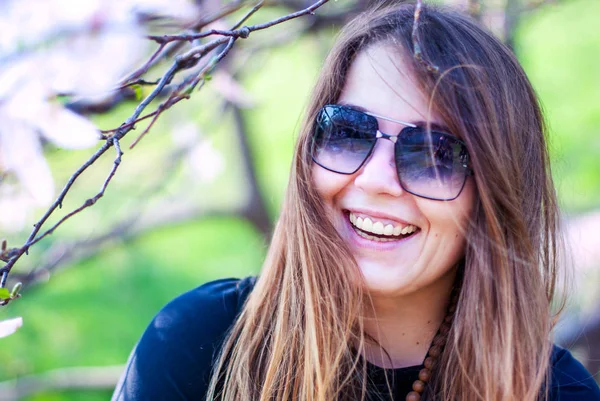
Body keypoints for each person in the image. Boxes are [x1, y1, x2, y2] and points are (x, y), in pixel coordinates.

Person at [111, 2, 600, 401]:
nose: (376, 179)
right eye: (348, 131)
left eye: (433, 153)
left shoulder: (558, 394)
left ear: (494, 189)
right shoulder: (196, 344)